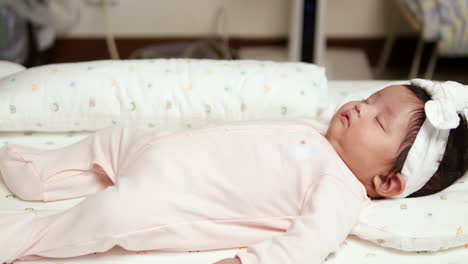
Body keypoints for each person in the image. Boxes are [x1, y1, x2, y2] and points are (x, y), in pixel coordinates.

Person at [0, 79, 466, 264]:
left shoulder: (340, 190)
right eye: (366, 100)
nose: (358, 108)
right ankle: (41, 173)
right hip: (158, 150)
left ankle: (25, 237)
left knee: (110, 214)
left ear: (387, 182)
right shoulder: (317, 131)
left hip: (168, 199)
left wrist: (249, 263)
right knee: (113, 138)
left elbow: (307, 245)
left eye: (376, 119)